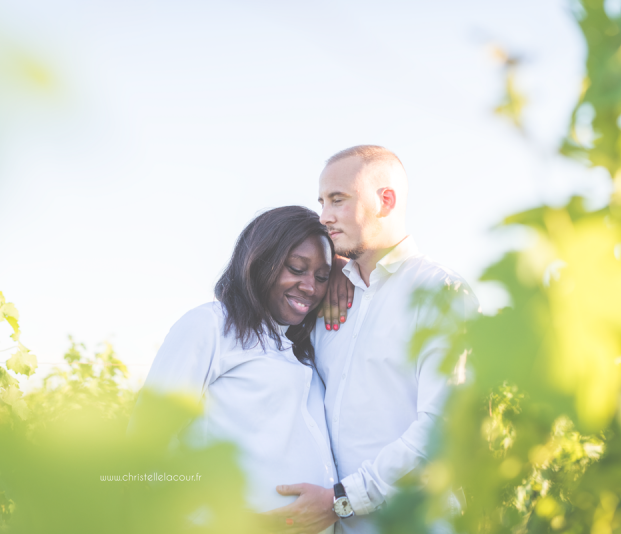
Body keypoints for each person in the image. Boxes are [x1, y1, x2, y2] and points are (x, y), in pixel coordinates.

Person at [269, 146, 479, 534]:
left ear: (386, 201)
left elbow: (441, 428)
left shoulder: (440, 292)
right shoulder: (328, 299)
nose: (324, 216)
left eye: (338, 199)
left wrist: (342, 499)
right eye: (321, 201)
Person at [132, 206, 337, 530]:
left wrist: (344, 275)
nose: (310, 287)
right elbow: (145, 444)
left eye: (322, 277)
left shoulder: (303, 346)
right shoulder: (210, 326)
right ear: (260, 260)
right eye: (297, 268)